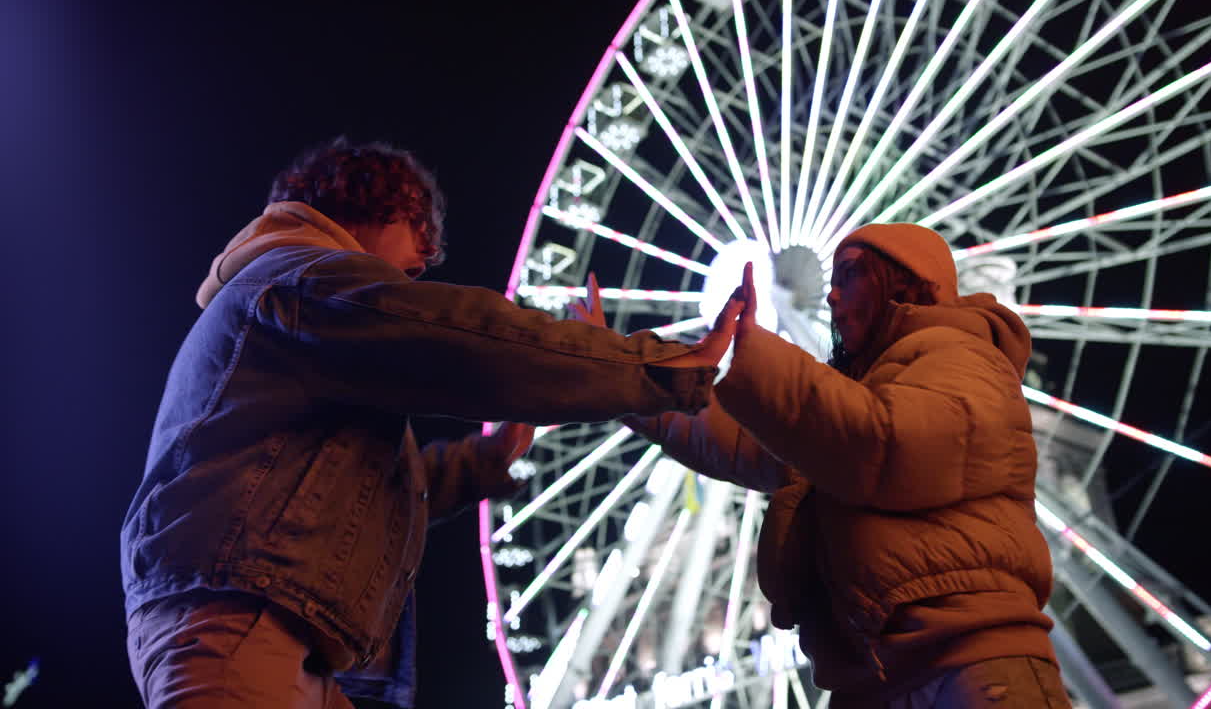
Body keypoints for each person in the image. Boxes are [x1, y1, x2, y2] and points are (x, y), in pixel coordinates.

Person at [121, 137, 743, 709]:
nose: (423, 260)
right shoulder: (302, 280)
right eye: (418, 230)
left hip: (270, 635)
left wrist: (487, 458)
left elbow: (348, 490)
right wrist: (662, 363)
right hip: (243, 630)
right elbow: (456, 338)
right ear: (371, 206)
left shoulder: (287, 303)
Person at [572, 223, 1071, 708]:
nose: (833, 297)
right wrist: (616, 371)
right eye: (831, 282)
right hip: (871, 676)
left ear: (906, 278)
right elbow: (739, 439)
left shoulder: (962, 354)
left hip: (967, 661)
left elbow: (883, 444)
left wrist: (756, 352)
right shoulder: (851, 400)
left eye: (849, 275)